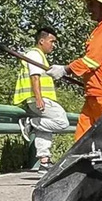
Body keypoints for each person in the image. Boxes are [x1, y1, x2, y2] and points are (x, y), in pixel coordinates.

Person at [46, 0, 102, 141]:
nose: (88, 8)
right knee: (82, 142)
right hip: (96, 95)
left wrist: (65, 70)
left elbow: (91, 61)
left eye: (91, 4)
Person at [14, 27, 70, 174]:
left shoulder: (39, 56)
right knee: (62, 121)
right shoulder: (35, 54)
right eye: (52, 41)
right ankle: (30, 124)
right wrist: (39, 98)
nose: (54, 45)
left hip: (37, 99)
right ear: (41, 41)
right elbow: (35, 76)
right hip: (37, 99)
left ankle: (44, 162)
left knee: (45, 126)